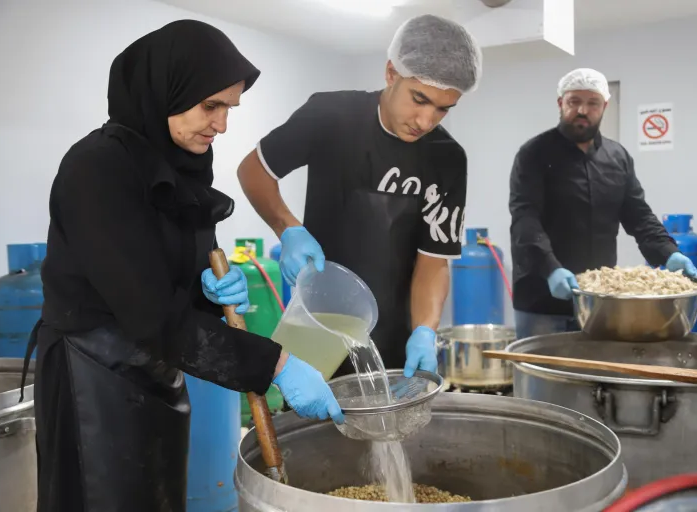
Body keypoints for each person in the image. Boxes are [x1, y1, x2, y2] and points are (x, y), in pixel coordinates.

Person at [27, 20, 342, 512]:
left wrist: (207, 292)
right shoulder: (97, 168)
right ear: (166, 89)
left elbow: (178, 277)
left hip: (156, 371)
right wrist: (276, 364)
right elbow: (146, 312)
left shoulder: (183, 163)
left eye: (229, 109)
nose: (221, 125)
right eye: (210, 106)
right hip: (93, 377)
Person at [237, 15, 482, 379]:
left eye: (443, 108)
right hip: (318, 324)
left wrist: (425, 330)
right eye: (420, 99)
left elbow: (433, 262)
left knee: (387, 432)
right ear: (390, 73)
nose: (427, 120)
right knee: (312, 427)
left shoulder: (447, 158)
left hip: (396, 340)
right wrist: (287, 228)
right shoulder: (330, 116)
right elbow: (254, 170)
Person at [509, 68, 697, 340]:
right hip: (542, 299)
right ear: (560, 103)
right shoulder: (534, 154)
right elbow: (525, 219)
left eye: (593, 103)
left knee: (597, 378)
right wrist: (550, 267)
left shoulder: (617, 157)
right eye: (574, 101)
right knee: (545, 377)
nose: (582, 110)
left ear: (604, 106)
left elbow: (639, 215)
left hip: (600, 301)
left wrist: (668, 252)